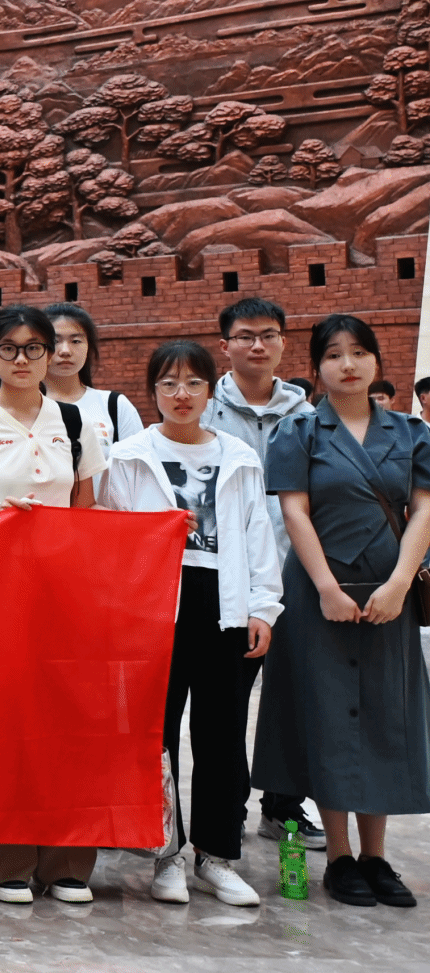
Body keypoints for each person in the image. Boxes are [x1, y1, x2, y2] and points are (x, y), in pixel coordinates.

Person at [253, 313, 430, 909]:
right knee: (326, 716)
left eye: (358, 352)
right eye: (333, 354)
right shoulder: (299, 431)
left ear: (377, 361)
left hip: (388, 594)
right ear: (317, 367)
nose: (347, 364)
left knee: (384, 714)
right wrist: (327, 587)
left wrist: (399, 583)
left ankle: (377, 857)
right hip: (316, 595)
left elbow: (424, 511)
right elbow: (294, 512)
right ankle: (339, 857)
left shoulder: (412, 432)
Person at [99, 340, 280, 908]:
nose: (182, 394)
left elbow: (258, 534)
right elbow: (111, 539)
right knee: (155, 737)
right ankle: (166, 855)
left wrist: (262, 608)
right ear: (152, 391)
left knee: (222, 735)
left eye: (194, 383)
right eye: (169, 383)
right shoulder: (128, 456)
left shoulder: (238, 455)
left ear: (210, 390)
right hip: (154, 609)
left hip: (226, 604)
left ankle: (216, 857)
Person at [0, 305, 107, 903]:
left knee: (68, 723)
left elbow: (86, 510)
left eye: (34, 348)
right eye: (8, 348)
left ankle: (68, 862)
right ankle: (6, 862)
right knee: (2, 725)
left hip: (62, 595)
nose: (21, 359)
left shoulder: (78, 423)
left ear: (49, 354)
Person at [197, 296, 323, 849]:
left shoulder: (308, 417)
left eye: (268, 335)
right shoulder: (203, 410)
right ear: (224, 345)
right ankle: (221, 818)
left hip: (298, 573)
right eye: (245, 336)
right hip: (227, 582)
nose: (257, 345)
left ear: (283, 343)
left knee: (293, 698)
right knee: (226, 707)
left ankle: (283, 808)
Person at [42, 304, 144, 465]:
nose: (65, 350)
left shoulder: (115, 406)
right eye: (55, 341)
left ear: (89, 347)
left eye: (76, 341)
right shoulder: (21, 407)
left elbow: (138, 470)